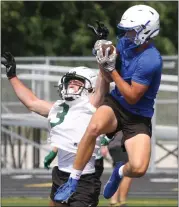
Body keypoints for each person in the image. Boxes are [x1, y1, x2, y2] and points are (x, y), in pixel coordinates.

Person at [54, 4, 163, 202]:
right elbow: (109, 77)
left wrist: (111, 70)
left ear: (146, 30)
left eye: (132, 30)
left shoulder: (151, 59)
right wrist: (102, 51)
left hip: (137, 114)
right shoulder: (124, 43)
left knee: (138, 168)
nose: (127, 34)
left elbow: (132, 96)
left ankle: (119, 172)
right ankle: (73, 180)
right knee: (94, 126)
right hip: (118, 104)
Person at [1, 52, 110, 207]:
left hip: (83, 178)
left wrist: (102, 56)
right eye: (70, 81)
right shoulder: (57, 107)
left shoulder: (92, 105)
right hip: (60, 174)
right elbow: (31, 102)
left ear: (89, 86)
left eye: (77, 82)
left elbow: (103, 82)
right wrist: (12, 76)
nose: (71, 84)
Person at [102, 132, 132, 207]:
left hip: (115, 145)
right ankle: (121, 202)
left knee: (119, 171)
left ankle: (114, 201)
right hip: (121, 144)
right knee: (127, 174)